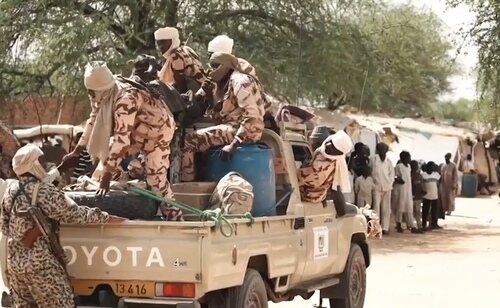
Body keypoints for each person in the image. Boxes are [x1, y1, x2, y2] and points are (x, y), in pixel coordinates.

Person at [1, 144, 125, 308]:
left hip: (16, 266)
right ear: (33, 164)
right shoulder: (44, 190)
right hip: (41, 266)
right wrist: (105, 217)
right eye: (42, 160)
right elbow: (72, 213)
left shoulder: (11, 191)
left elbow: (4, 227)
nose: (45, 164)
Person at [63, 61, 182, 221]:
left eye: (92, 93)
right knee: (107, 158)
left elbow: (121, 141)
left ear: (102, 88)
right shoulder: (100, 92)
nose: (90, 96)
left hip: (158, 130)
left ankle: (175, 219)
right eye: (89, 92)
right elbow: (94, 118)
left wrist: (106, 178)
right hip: (136, 129)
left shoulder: (125, 98)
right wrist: (77, 150)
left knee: (156, 179)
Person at [181, 52, 265, 181]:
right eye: (211, 66)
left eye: (216, 66)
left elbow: (252, 116)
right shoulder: (220, 83)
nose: (212, 70)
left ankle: (187, 183)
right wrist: (209, 97)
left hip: (247, 130)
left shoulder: (240, 82)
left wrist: (234, 143)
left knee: (189, 140)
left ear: (227, 66)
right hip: (232, 126)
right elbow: (219, 114)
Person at [298, 130, 353, 203]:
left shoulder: (326, 166)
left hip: (309, 196)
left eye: (333, 147)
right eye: (331, 142)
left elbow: (304, 178)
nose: (328, 145)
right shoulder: (324, 154)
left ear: (338, 153)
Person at [155, 27, 207, 92]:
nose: (160, 47)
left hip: (195, 92)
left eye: (163, 42)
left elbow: (181, 85)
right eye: (158, 43)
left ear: (172, 40)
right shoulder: (187, 49)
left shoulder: (175, 56)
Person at [392, 151, 420, 233]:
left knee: (409, 207)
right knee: (400, 207)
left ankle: (411, 225)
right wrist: (399, 179)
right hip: (400, 189)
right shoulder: (399, 166)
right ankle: (398, 224)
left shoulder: (408, 167)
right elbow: (394, 176)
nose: (410, 159)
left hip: (408, 189)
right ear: (403, 158)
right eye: (408, 157)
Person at [371, 142, 394, 235]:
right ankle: (376, 228)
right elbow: (370, 172)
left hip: (387, 187)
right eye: (380, 149)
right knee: (376, 208)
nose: (382, 151)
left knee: (386, 208)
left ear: (386, 151)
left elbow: (392, 174)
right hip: (376, 187)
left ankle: (385, 228)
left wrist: (389, 184)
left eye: (383, 149)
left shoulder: (389, 162)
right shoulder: (373, 159)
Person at [422, 162, 441, 230]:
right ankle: (423, 224)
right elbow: (421, 184)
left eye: (432, 167)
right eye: (430, 167)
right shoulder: (423, 175)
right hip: (426, 196)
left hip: (434, 196)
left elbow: (438, 183)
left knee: (434, 211)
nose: (431, 168)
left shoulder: (436, 174)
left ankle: (434, 224)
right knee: (425, 211)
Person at [411, 160, 426, 232]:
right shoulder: (410, 175)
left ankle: (419, 225)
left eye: (416, 166)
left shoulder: (419, 176)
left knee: (417, 211)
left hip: (418, 197)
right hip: (411, 196)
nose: (416, 167)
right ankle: (412, 226)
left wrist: (423, 191)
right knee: (411, 211)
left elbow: (421, 185)